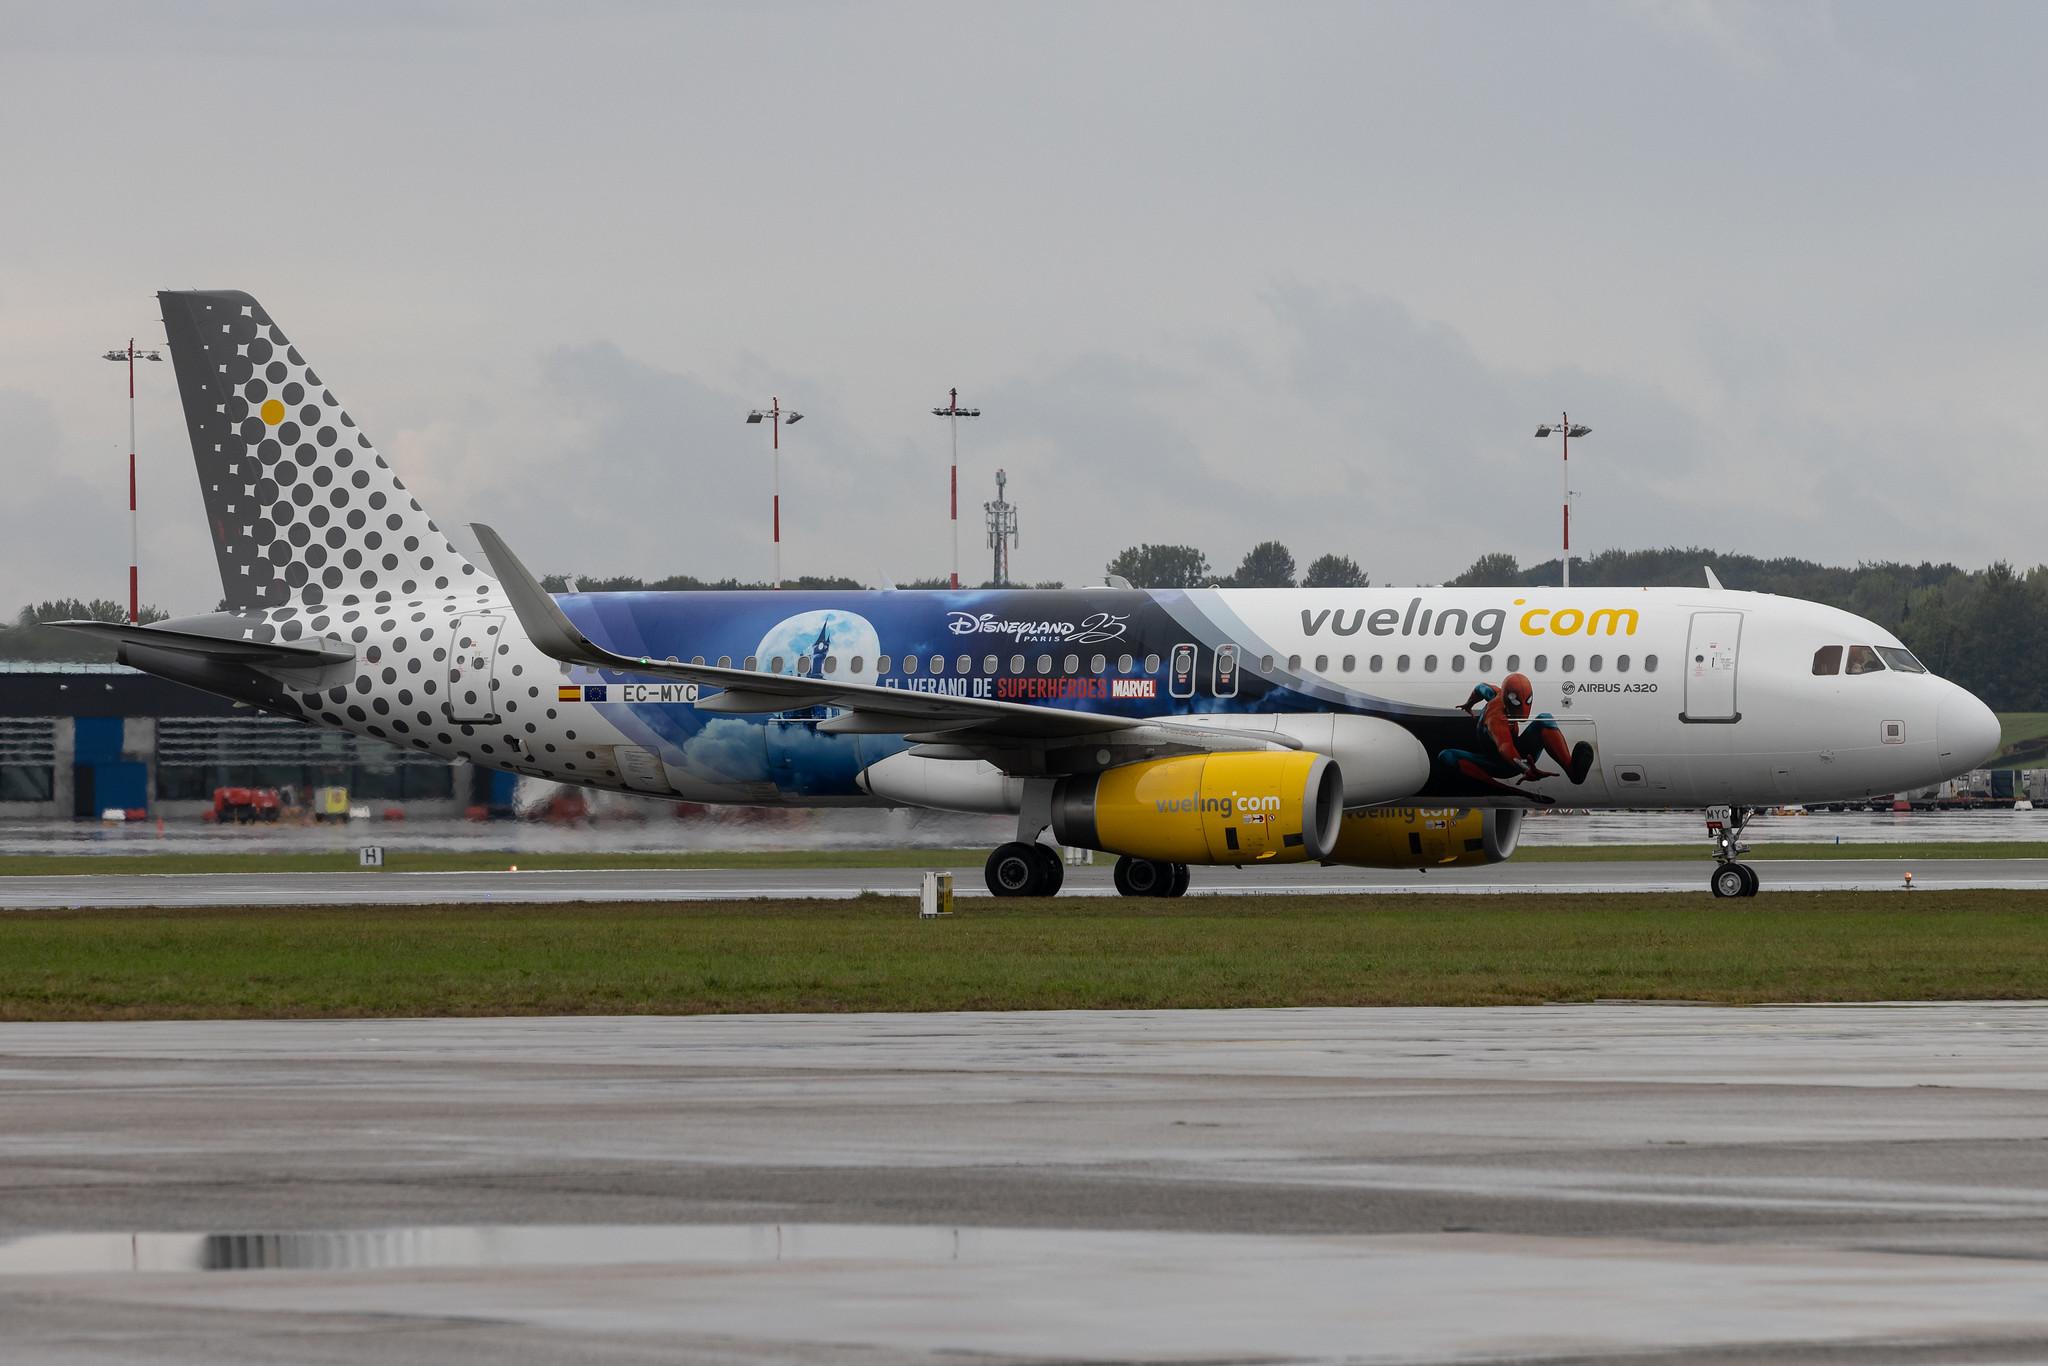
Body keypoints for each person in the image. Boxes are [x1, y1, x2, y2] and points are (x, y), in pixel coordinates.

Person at [1438, 672, 1595, 802]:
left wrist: (1469, 704)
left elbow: (1480, 688)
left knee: (1545, 718)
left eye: (1528, 701)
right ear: (1507, 700)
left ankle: (1573, 771)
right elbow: (1505, 747)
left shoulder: (1495, 693)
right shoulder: (1496, 719)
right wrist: (1525, 768)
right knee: (1447, 756)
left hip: (1520, 754)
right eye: (1516, 702)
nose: (1524, 708)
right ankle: (1508, 790)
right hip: (1502, 763)